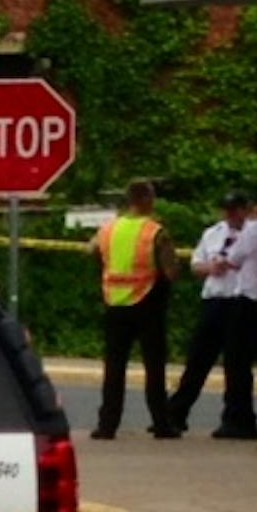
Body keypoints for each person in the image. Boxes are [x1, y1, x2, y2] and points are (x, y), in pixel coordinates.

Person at [90, 179, 182, 440]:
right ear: (147, 200)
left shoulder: (108, 230)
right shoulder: (155, 232)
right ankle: (161, 423)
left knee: (114, 368)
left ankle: (106, 426)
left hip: (114, 304)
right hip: (147, 303)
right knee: (154, 367)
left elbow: (92, 251)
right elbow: (171, 271)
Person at [168, 190, 250, 434]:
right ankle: (176, 413)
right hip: (214, 299)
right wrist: (210, 267)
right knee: (198, 359)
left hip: (238, 300)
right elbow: (195, 265)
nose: (230, 214)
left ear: (245, 209)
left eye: (235, 209)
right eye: (227, 209)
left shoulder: (253, 235)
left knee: (236, 364)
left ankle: (237, 418)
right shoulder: (213, 233)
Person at [216, 186, 257, 440]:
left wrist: (218, 262)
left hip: (250, 301)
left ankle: (239, 420)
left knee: (238, 363)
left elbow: (233, 259)